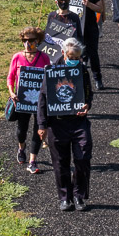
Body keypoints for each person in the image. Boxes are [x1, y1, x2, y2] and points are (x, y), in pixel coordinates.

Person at [37, 38, 93, 212]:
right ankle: (64, 197)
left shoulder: (82, 70)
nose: (74, 60)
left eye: (77, 57)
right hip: (57, 123)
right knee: (60, 162)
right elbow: (43, 99)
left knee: (83, 158)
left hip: (78, 122)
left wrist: (87, 105)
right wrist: (42, 124)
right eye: (71, 56)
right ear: (63, 53)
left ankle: (79, 196)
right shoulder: (52, 70)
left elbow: (89, 94)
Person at [7, 27, 51, 174]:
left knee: (38, 129)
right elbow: (10, 77)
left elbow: (49, 76)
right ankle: (21, 147)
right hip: (22, 100)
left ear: (37, 40)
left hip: (39, 100)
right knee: (21, 129)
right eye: (24, 40)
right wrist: (12, 92)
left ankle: (33, 161)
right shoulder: (17, 57)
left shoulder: (44, 57)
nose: (27, 43)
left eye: (31, 40)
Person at [81, 0, 105, 90]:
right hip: (75, 29)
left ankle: (97, 79)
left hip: (90, 26)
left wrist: (89, 4)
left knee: (93, 54)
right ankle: (78, 81)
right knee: (74, 56)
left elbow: (100, 9)